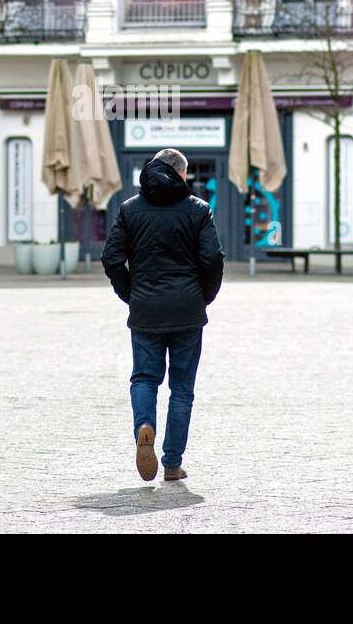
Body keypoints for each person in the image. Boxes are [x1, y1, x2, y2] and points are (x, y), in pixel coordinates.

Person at [101, 148, 224, 482]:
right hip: (187, 310)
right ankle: (172, 463)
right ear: (182, 175)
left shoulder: (129, 210)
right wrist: (203, 297)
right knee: (182, 389)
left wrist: (132, 294)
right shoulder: (198, 210)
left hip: (145, 311)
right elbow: (212, 258)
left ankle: (144, 425)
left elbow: (111, 259)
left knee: (144, 378)